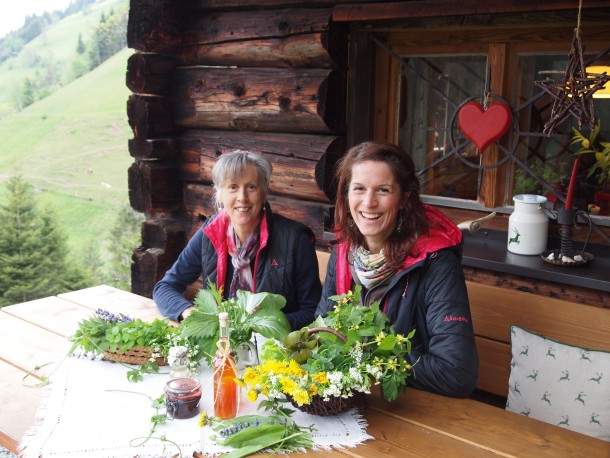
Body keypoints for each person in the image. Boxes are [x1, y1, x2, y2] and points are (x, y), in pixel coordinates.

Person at [316, 141, 479, 398]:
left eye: (383, 190)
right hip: (356, 399)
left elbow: (456, 372)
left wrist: (365, 356)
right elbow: (323, 331)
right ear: (347, 196)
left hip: (417, 408)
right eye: (359, 189)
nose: (369, 203)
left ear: (404, 198)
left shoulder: (436, 262)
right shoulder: (344, 250)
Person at [154, 149, 321, 330]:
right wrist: (187, 312)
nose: (242, 197)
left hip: (276, 349)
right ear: (220, 194)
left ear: (264, 192)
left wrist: (258, 327)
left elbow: (312, 311)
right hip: (222, 346)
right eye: (233, 187)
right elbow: (165, 287)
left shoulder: (295, 240)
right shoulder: (211, 233)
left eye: (251, 187)